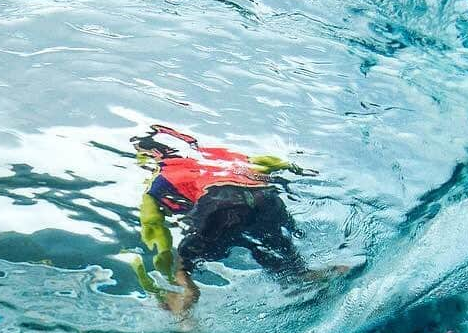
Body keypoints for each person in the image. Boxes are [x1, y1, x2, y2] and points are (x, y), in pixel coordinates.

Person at [126, 124, 325, 314]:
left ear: (153, 155)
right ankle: (310, 277)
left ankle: (187, 292)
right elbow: (271, 162)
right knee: (283, 261)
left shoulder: (161, 178)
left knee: (183, 264)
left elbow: (153, 227)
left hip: (219, 205)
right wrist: (297, 169)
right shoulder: (218, 155)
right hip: (265, 199)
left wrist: (173, 265)